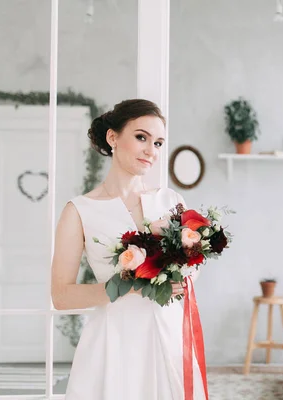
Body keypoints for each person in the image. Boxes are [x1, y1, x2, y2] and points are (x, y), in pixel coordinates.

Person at [50, 99, 207, 400]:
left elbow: (193, 267)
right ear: (113, 138)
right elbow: (61, 296)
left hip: (169, 338)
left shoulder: (170, 200)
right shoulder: (79, 211)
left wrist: (182, 277)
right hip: (113, 345)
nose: (152, 151)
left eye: (158, 142)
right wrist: (128, 286)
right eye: (141, 137)